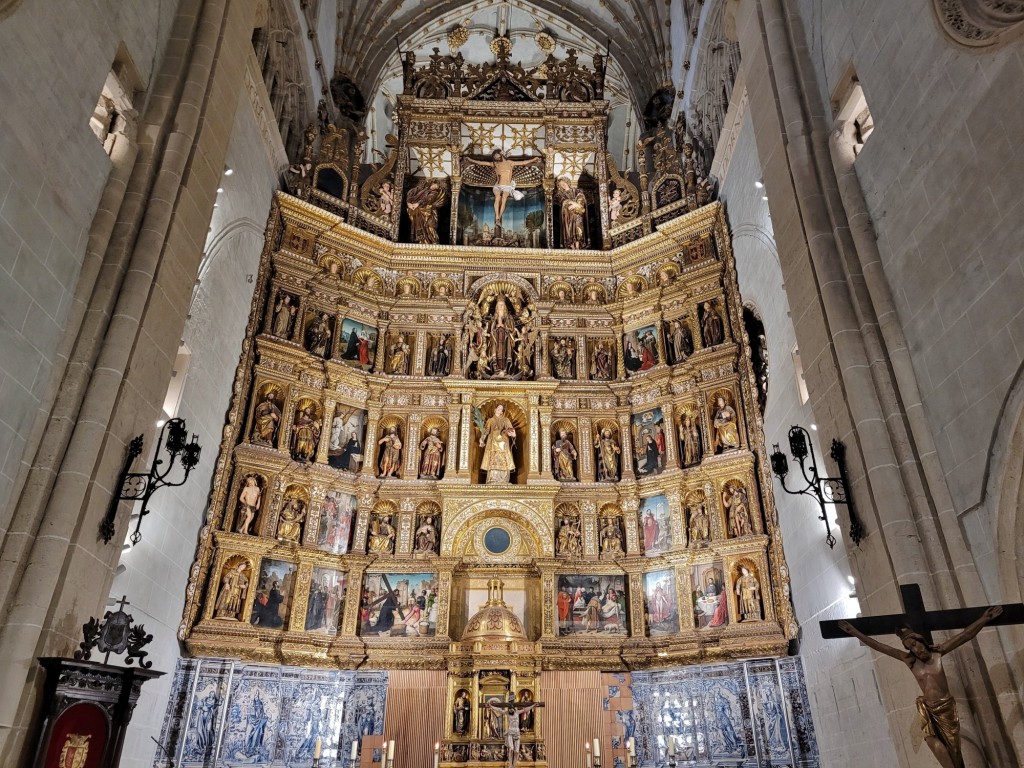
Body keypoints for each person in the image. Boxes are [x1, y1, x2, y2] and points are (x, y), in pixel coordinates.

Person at [839, 606, 1003, 768]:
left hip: (945, 708)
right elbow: (880, 646)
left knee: (954, 751)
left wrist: (984, 619)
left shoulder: (938, 652)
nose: (915, 649)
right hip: (927, 707)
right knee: (931, 740)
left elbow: (965, 635)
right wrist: (854, 632)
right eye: (910, 647)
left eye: (915, 644)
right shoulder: (909, 661)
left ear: (921, 640)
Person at [463, 149, 542, 230]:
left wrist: (533, 159)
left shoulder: (510, 162)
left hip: (507, 186)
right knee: (497, 197)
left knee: (504, 198)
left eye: (496, 155)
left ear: (500, 154)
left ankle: (498, 218)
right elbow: (481, 163)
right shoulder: (494, 164)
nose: (496, 157)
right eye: (494, 157)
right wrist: (470, 159)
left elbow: (523, 162)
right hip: (497, 185)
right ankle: (497, 217)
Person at [486, 694, 539, 768]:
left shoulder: (517, 712)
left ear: (513, 709)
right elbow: (499, 710)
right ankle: (510, 766)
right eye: (509, 709)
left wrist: (533, 705)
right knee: (511, 749)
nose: (510, 710)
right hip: (510, 733)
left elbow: (526, 709)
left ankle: (514, 766)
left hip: (517, 733)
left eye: (511, 709)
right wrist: (491, 706)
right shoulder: (507, 713)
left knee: (516, 752)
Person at [479, 404, 516, 484]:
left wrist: (511, 432)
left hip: (503, 442)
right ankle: (493, 478)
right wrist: (482, 439)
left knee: (503, 459)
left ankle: (504, 479)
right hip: (493, 442)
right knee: (493, 459)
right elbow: (486, 431)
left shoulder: (506, 420)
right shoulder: (490, 420)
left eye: (501, 409)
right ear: (495, 409)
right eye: (498, 408)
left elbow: (511, 429)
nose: (500, 410)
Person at [406, 178, 447, 244]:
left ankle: (433, 241)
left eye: (436, 187)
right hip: (418, 211)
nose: (434, 187)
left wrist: (418, 204)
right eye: (433, 185)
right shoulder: (422, 190)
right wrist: (409, 203)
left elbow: (429, 199)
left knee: (430, 227)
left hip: (429, 213)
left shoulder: (434, 193)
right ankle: (422, 241)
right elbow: (412, 193)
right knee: (419, 224)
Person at [556, 176, 588, 249]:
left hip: (577, 214)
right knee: (569, 230)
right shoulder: (562, 195)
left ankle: (578, 246)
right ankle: (572, 246)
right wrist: (569, 202)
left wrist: (575, 204)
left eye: (564, 183)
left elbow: (581, 198)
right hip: (568, 217)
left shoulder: (576, 191)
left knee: (578, 228)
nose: (563, 185)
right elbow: (562, 203)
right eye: (561, 185)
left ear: (567, 182)